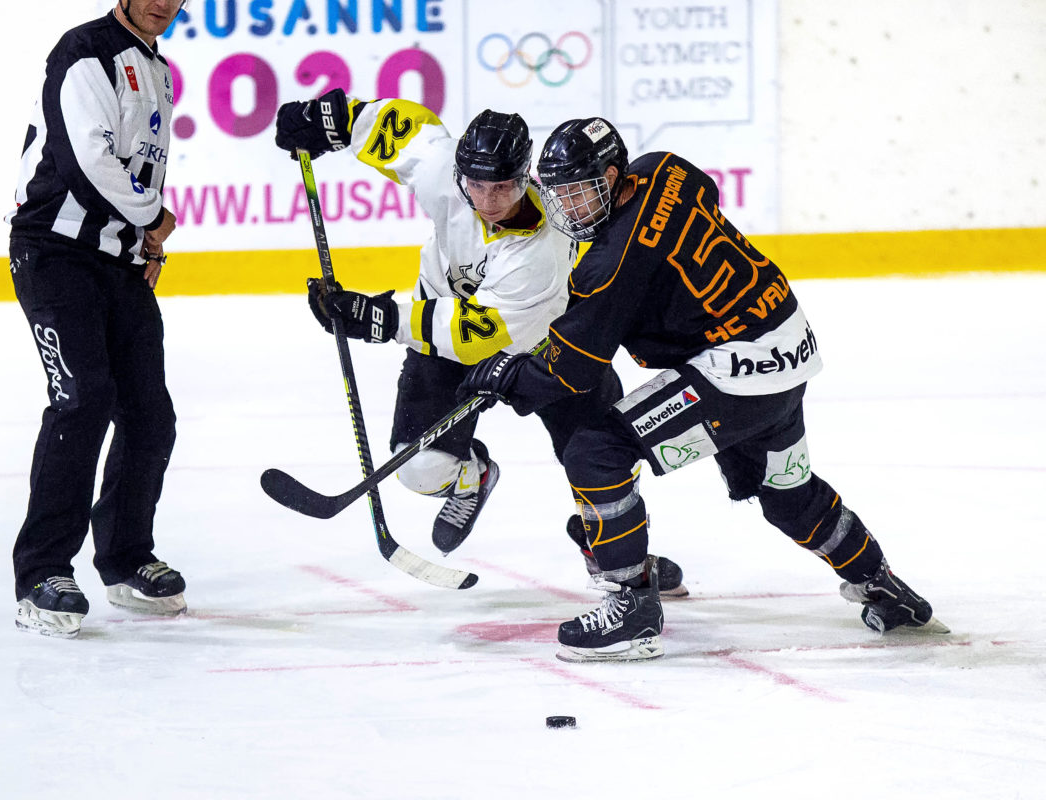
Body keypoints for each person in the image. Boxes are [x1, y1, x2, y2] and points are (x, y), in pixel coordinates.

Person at [459, 116, 948, 663]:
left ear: (614, 177)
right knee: (787, 492)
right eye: (561, 195)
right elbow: (694, 207)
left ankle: (631, 608)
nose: (569, 210)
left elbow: (571, 371)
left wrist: (508, 375)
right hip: (787, 342)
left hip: (735, 373)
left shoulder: (610, 262)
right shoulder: (666, 169)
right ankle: (881, 583)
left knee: (597, 448)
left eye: (581, 193)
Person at [273, 92, 687, 594]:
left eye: (503, 187)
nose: (488, 200)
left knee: (601, 456)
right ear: (460, 176)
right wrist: (332, 120)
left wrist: (379, 319)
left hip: (550, 348)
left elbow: (474, 335)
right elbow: (397, 127)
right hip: (445, 323)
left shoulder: (543, 250)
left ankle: (615, 556)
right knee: (420, 470)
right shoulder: (442, 173)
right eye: (476, 185)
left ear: (524, 176)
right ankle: (474, 476)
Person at [5, 0, 189, 638]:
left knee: (149, 412)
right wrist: (154, 218)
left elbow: (136, 165)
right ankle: (43, 571)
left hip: (118, 261)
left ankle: (125, 557)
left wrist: (145, 240)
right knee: (83, 399)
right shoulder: (85, 50)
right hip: (53, 254)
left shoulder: (157, 69)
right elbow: (87, 163)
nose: (164, 2)